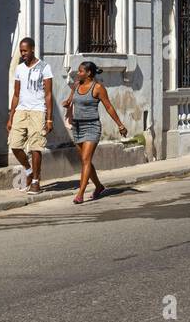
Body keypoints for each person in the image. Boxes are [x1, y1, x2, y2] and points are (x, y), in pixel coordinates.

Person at [63, 61, 129, 204]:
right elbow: (70, 100)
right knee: (85, 160)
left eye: (81, 71)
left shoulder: (98, 88)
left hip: (92, 126)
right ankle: (99, 186)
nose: (78, 73)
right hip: (77, 126)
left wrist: (120, 125)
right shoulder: (76, 85)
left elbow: (109, 107)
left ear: (89, 73)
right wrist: (66, 103)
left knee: (86, 159)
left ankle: (80, 193)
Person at [8, 37, 55, 194]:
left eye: (25, 51)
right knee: (14, 144)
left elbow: (48, 94)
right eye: (21, 51)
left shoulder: (44, 67)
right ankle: (28, 170)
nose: (23, 54)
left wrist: (49, 118)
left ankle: (36, 181)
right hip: (21, 110)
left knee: (36, 146)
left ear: (32, 49)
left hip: (38, 111)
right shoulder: (20, 68)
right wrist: (11, 116)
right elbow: (16, 94)